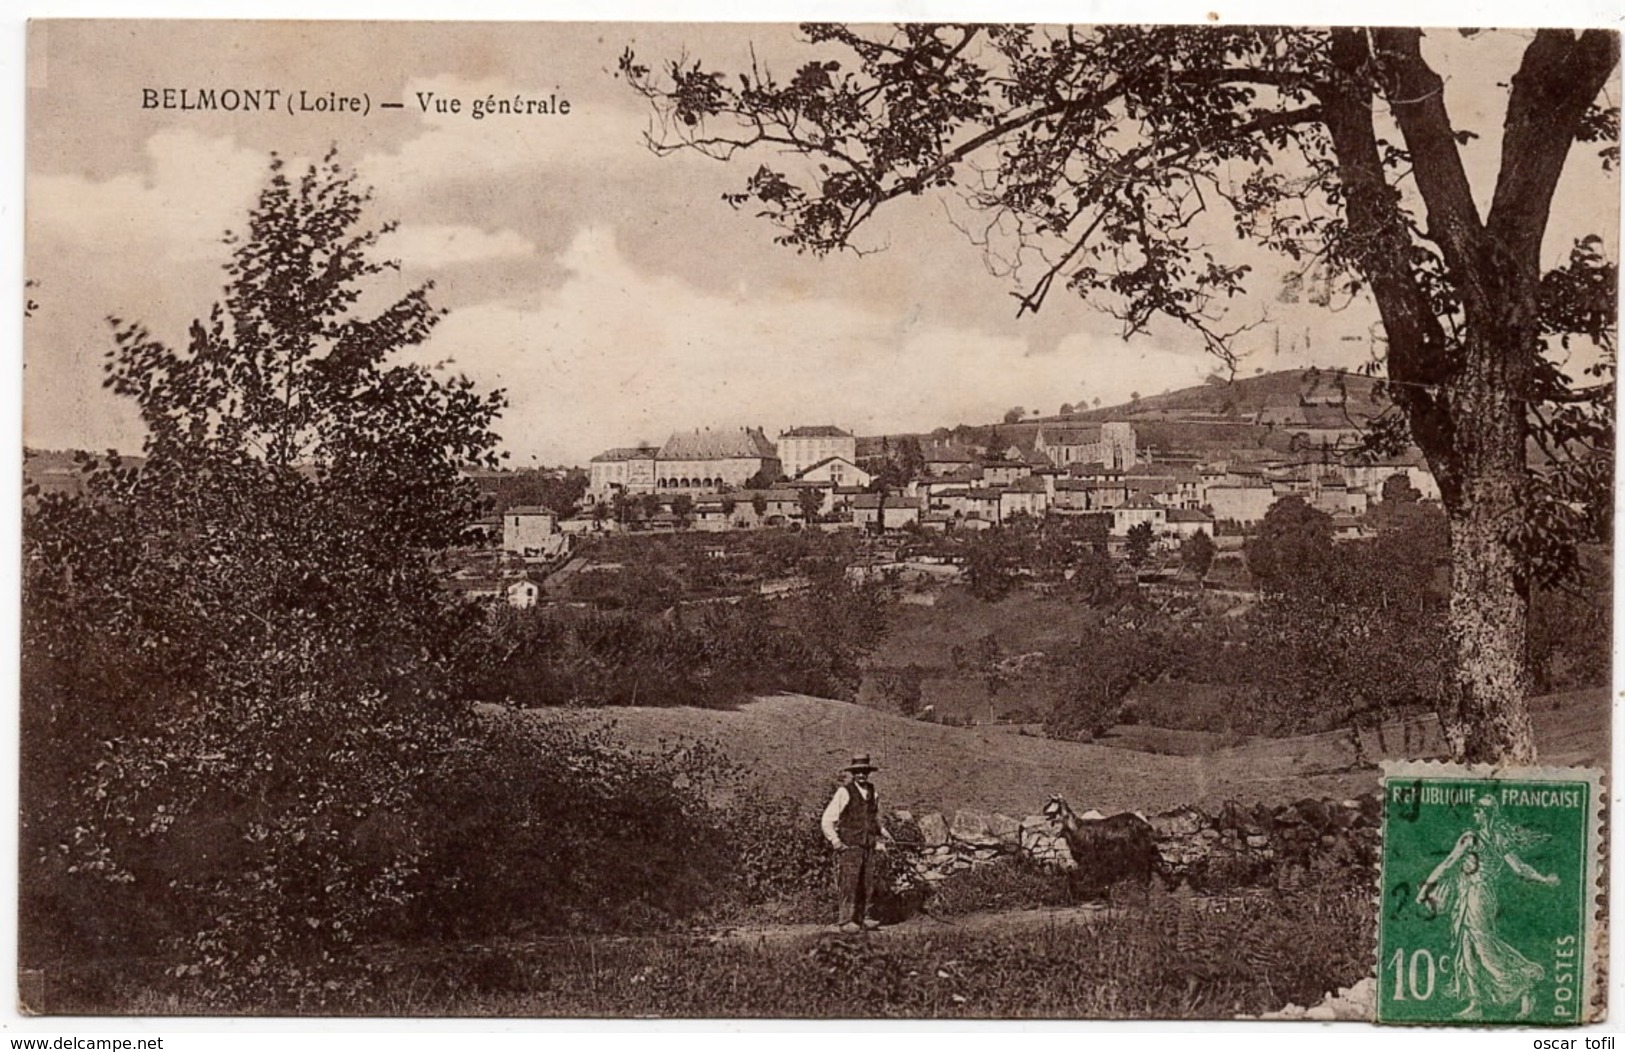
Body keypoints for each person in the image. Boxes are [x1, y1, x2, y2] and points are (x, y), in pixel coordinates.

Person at [1416, 795, 1558, 1019]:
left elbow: (1447, 864)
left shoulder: (1473, 839)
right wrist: (1543, 879)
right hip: (1471, 895)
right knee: (1467, 947)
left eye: (1478, 811)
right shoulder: (1497, 839)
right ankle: (1475, 1004)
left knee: (1484, 947)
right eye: (1475, 811)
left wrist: (1425, 890)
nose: (1475, 815)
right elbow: (1519, 868)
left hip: (1478, 896)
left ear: (1486, 814)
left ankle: (1526, 982)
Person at [820, 753, 893, 933]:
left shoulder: (872, 792)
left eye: (865, 772)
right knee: (849, 883)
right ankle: (846, 921)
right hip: (850, 846)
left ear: (868, 773)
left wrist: (883, 832)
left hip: (868, 844)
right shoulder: (844, 792)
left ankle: (862, 918)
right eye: (858, 772)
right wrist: (836, 841)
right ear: (853, 773)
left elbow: (873, 819)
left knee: (866, 884)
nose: (862, 775)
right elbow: (827, 820)